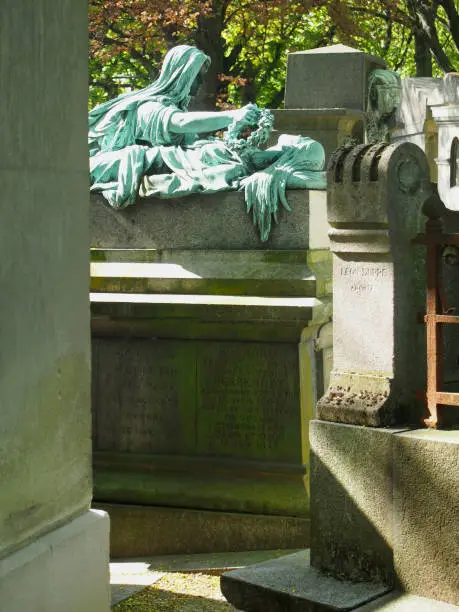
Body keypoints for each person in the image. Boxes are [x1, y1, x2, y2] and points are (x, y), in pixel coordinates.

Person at [89, 45, 326, 240]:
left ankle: (281, 165)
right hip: (157, 160)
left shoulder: (168, 105)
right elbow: (180, 123)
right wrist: (232, 115)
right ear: (181, 75)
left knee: (217, 153)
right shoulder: (149, 106)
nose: (201, 82)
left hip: (175, 158)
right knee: (217, 156)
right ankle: (277, 166)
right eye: (197, 75)